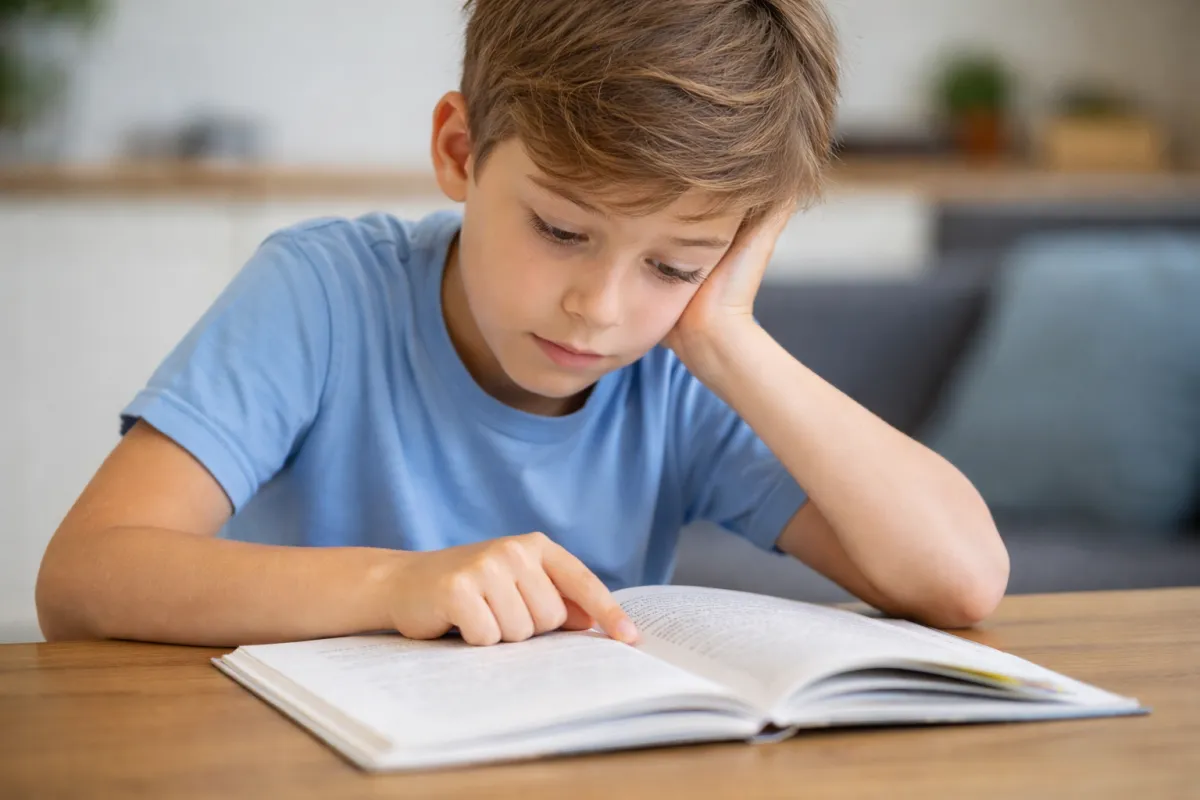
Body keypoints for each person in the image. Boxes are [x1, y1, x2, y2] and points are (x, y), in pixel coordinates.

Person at [36, 0, 1008, 648]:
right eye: (560, 228)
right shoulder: (322, 293)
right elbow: (84, 575)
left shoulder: (675, 369)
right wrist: (393, 585)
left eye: (673, 263)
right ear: (460, 150)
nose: (601, 306)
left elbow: (962, 579)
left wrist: (727, 331)